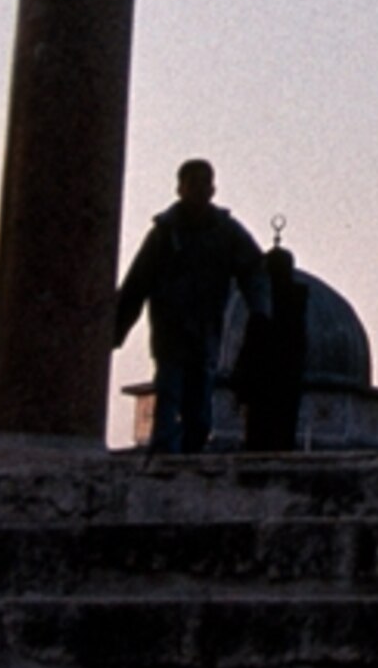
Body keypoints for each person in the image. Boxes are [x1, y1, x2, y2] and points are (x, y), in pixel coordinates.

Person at [114, 160, 272, 456]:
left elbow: (253, 270)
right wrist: (115, 330)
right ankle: (165, 458)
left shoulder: (225, 232)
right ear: (180, 188)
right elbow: (137, 283)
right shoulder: (165, 234)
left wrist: (260, 311)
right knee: (170, 392)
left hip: (206, 326)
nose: (199, 190)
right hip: (170, 328)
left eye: (204, 183)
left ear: (212, 189)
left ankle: (190, 456)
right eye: (193, 183)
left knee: (200, 403)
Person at [231, 220, 310, 453]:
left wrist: (241, 381)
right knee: (281, 433)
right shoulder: (297, 306)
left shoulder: (262, 304)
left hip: (263, 384)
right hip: (287, 384)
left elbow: (253, 344)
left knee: (260, 434)